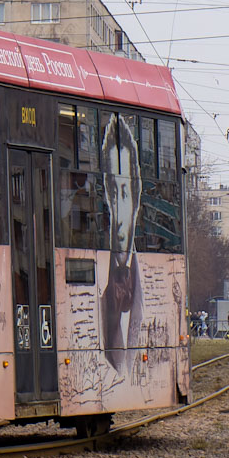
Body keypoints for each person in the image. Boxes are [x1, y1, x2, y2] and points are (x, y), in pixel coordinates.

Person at [98, 114, 143, 373]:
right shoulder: (99, 279)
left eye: (124, 193)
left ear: (135, 201)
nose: (117, 207)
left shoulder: (142, 282)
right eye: (113, 192)